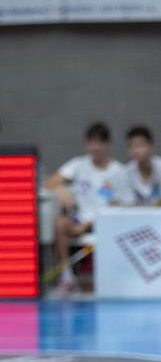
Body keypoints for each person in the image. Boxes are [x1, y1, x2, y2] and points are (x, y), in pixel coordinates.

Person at [44, 122, 126, 292]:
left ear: (108, 145)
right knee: (59, 223)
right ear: (86, 144)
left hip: (105, 223)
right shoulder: (77, 165)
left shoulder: (118, 171)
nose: (96, 147)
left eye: (100, 142)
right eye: (92, 142)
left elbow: (124, 205)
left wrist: (89, 224)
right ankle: (67, 276)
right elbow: (49, 183)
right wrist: (60, 189)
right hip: (78, 220)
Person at [120, 126, 161, 206]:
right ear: (129, 150)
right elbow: (129, 203)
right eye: (134, 146)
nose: (138, 151)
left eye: (141, 145)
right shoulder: (125, 172)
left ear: (151, 146)